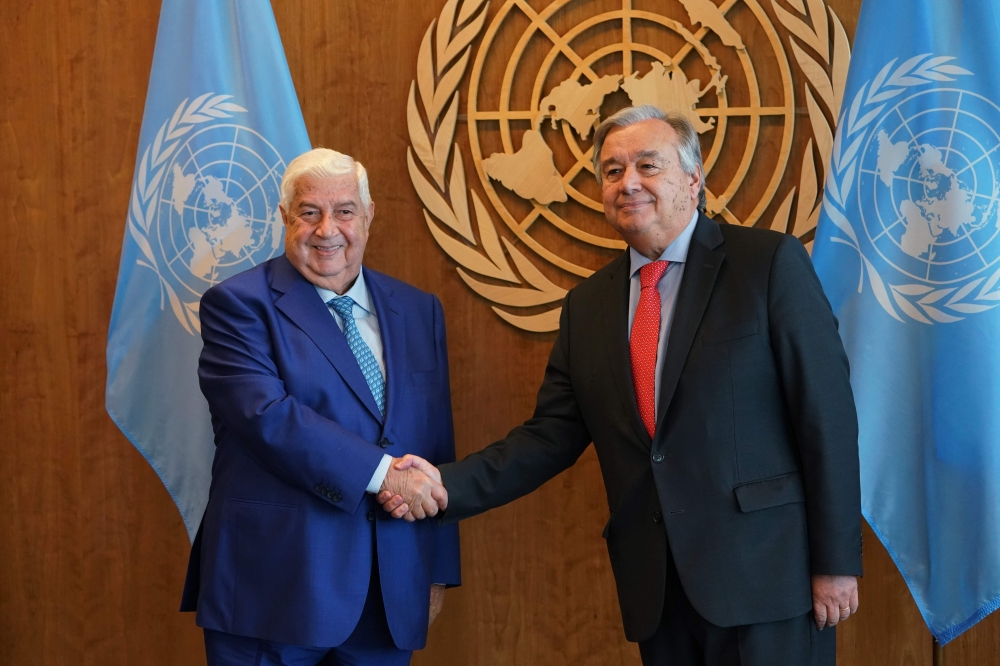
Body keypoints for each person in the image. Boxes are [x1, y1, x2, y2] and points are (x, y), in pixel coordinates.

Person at [380, 106, 862, 666]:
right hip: (658, 590)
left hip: (768, 580)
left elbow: (826, 417)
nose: (627, 182)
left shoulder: (768, 263)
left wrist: (836, 561)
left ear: (693, 180)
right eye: (612, 171)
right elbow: (548, 438)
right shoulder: (588, 307)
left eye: (647, 165)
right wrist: (443, 485)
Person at [180, 148, 460, 666]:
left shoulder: (419, 310)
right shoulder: (237, 305)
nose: (327, 229)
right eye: (309, 212)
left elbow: (436, 444)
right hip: (273, 588)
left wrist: (437, 570)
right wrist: (385, 475)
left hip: (389, 591)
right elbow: (269, 418)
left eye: (344, 211)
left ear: (369, 215)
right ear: (284, 217)